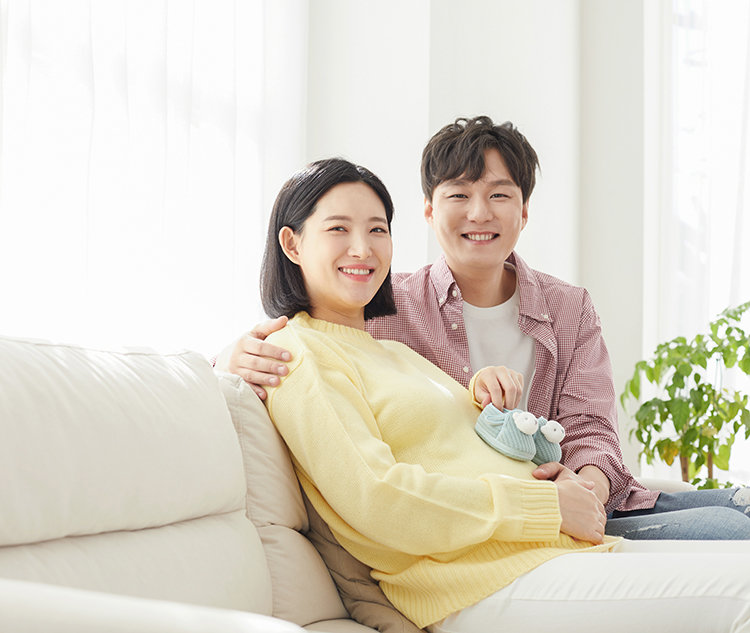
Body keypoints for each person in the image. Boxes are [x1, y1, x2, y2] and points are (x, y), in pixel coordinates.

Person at [255, 156, 750, 633]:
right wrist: (547, 506)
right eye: (338, 229)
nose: (362, 248)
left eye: (377, 229)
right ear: (292, 244)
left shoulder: (390, 351)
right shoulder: (297, 353)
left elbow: (552, 434)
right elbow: (378, 498)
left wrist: (485, 403)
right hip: (480, 581)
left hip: (555, 546)